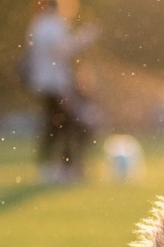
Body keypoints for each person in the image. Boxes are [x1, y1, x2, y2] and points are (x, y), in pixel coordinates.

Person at [24, 0, 97, 184]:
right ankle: (66, 168)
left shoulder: (38, 24)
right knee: (68, 125)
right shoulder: (53, 24)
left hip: (43, 84)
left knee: (55, 126)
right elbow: (61, 51)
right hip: (56, 84)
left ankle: (53, 168)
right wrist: (84, 37)